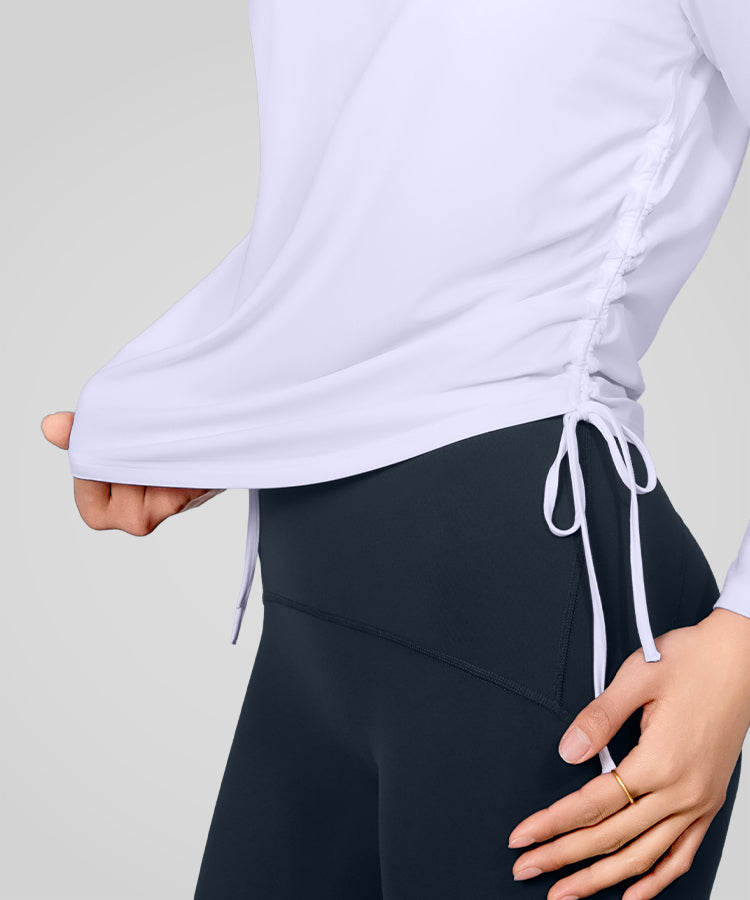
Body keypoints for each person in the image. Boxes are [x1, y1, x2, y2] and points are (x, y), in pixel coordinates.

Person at [42, 1, 750, 897]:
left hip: (532, 594)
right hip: (316, 602)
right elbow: (363, 192)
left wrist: (743, 643)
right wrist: (227, 405)